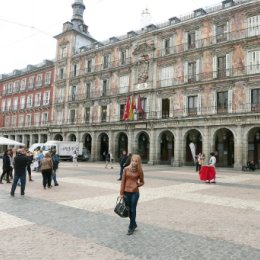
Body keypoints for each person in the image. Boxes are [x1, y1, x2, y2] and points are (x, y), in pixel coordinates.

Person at [120, 154, 144, 235]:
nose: (134, 162)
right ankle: (134, 223)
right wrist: (121, 193)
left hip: (135, 193)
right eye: (133, 160)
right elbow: (122, 182)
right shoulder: (126, 169)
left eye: (136, 161)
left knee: (133, 209)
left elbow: (142, 182)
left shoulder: (139, 171)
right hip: (126, 192)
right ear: (131, 161)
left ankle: (131, 227)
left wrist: (137, 185)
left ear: (138, 162)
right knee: (128, 210)